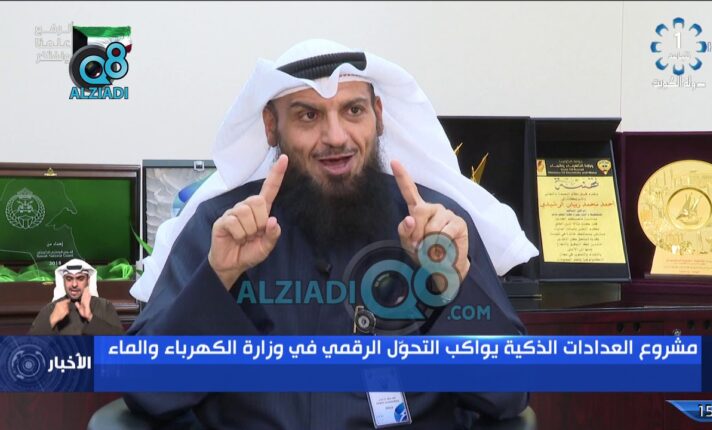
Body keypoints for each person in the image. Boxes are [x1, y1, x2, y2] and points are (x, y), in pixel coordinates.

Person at [125, 39, 536, 429]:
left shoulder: (434, 226)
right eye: (309, 115)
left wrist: (452, 283)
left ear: (378, 116)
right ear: (271, 126)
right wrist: (218, 279)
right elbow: (145, 388)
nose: (336, 137)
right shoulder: (223, 228)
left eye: (353, 110)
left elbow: (509, 391)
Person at [29, 258, 124, 335]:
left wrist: (90, 317)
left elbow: (121, 344)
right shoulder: (51, 309)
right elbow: (29, 346)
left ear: (88, 280)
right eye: (69, 279)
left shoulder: (104, 306)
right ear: (63, 281)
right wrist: (52, 319)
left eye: (80, 278)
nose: (74, 284)